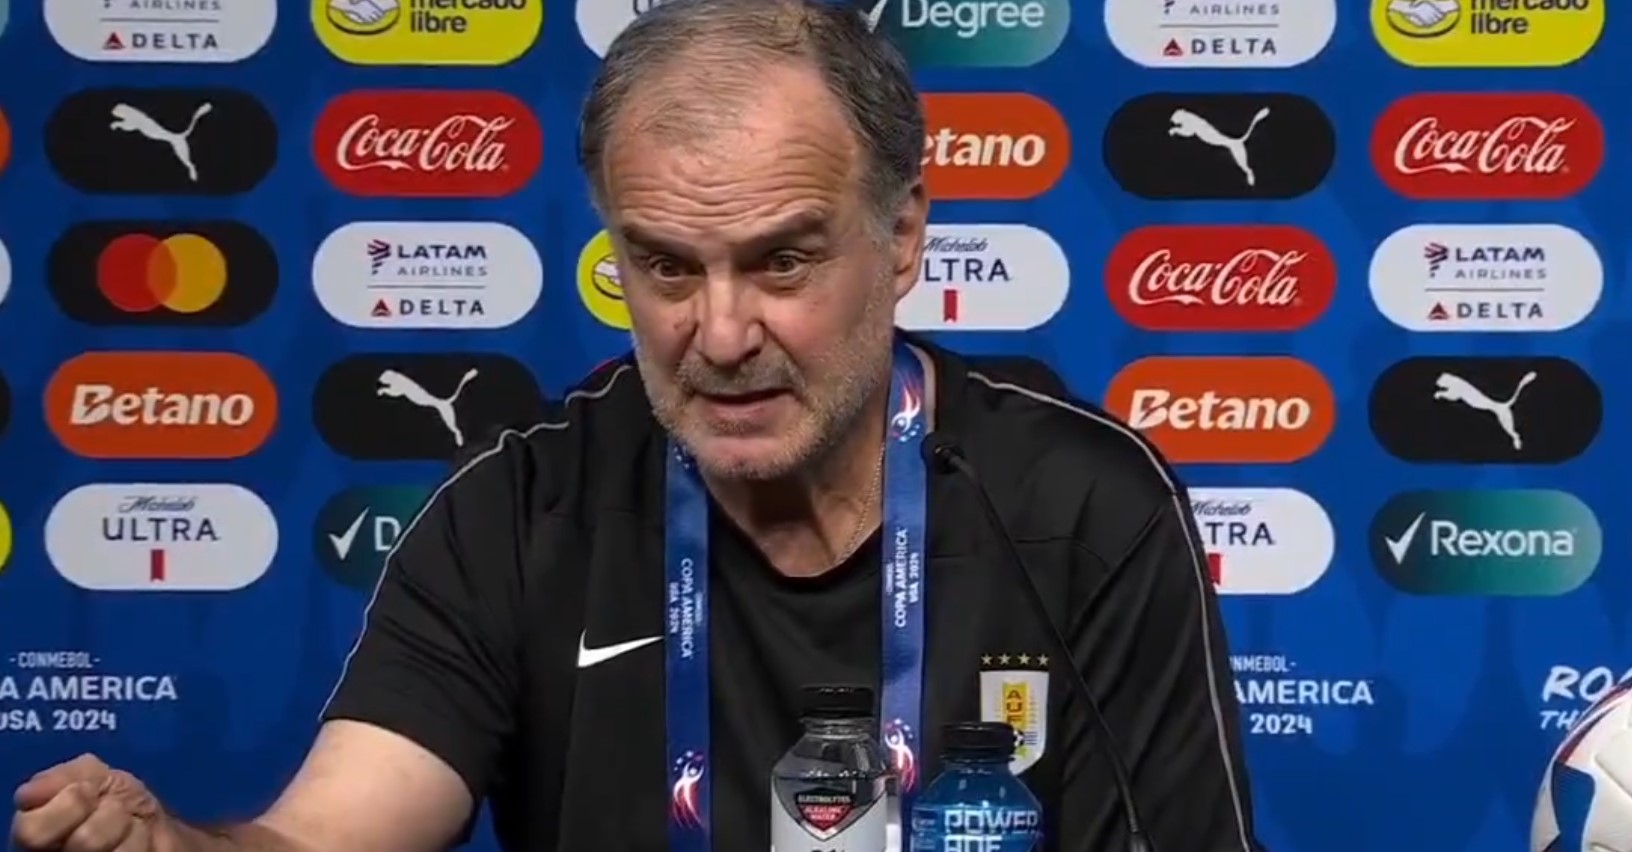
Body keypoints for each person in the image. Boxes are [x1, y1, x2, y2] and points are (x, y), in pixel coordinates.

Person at [8, 0, 1263, 849]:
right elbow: (326, 834)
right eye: (665, 266)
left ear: (900, 239)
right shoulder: (516, 512)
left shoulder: (1083, 506)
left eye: (780, 262)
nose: (719, 334)